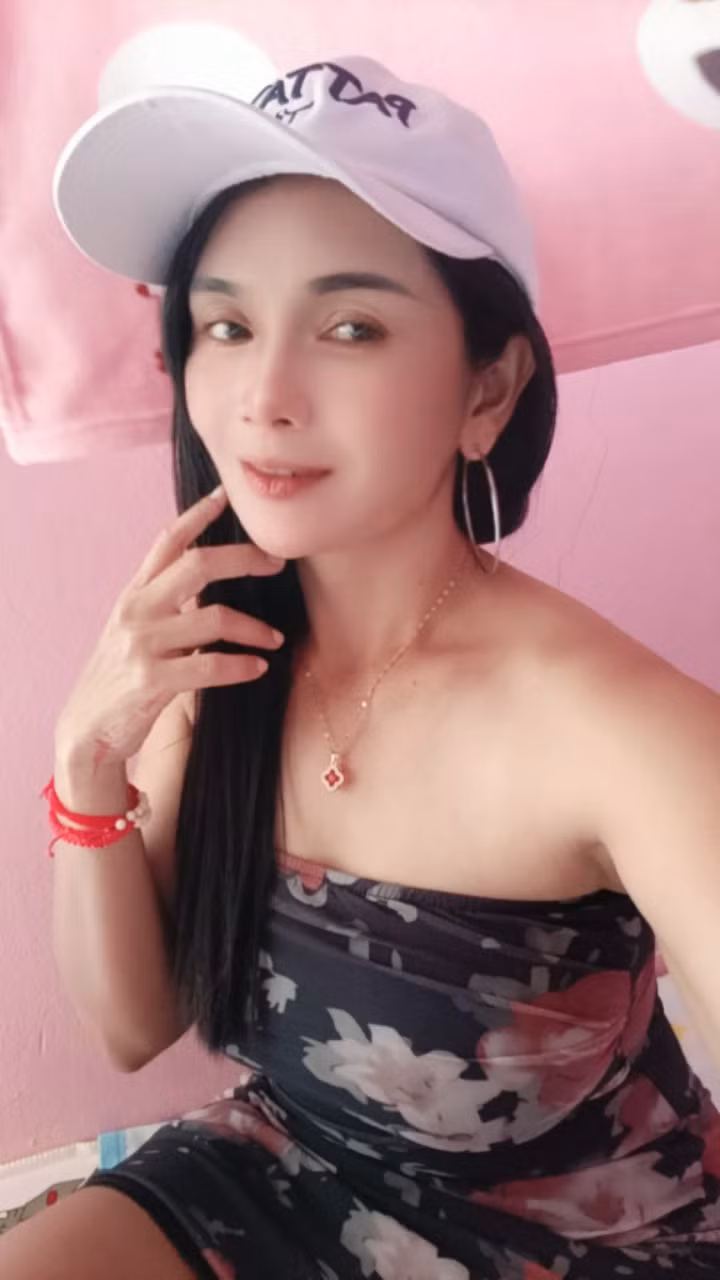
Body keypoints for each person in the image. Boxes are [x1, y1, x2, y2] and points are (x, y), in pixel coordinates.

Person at [5, 55, 720, 1280]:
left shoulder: (624, 729)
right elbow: (134, 1026)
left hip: (584, 1237)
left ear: (489, 387)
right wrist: (90, 755)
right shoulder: (217, 652)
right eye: (226, 325)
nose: (263, 395)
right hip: (290, 1161)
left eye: (350, 326)